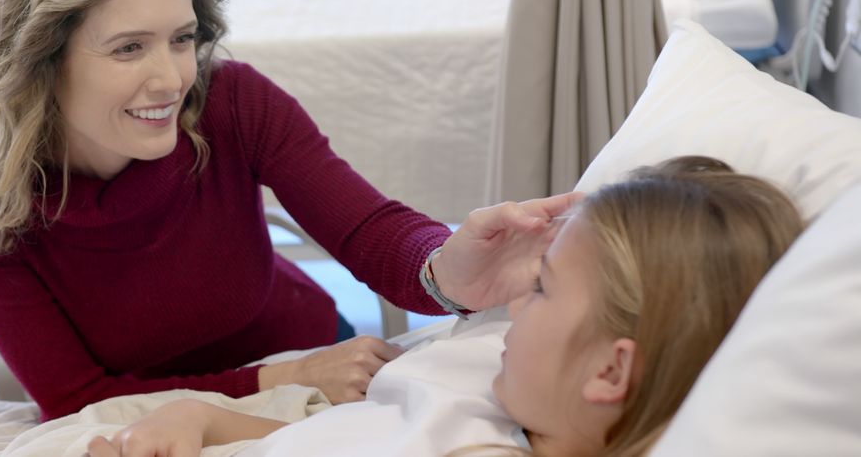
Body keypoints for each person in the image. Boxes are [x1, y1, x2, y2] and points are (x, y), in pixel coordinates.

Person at [0, 0, 579, 421]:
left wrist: (446, 270)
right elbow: (74, 400)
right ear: (40, 59)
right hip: (176, 418)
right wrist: (279, 378)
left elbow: (367, 229)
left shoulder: (231, 102)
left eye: (182, 39)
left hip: (323, 365)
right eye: (129, 48)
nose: (171, 79)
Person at [85, 156, 805, 457]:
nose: (518, 302)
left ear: (611, 374)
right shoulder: (498, 405)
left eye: (544, 288)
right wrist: (205, 418)